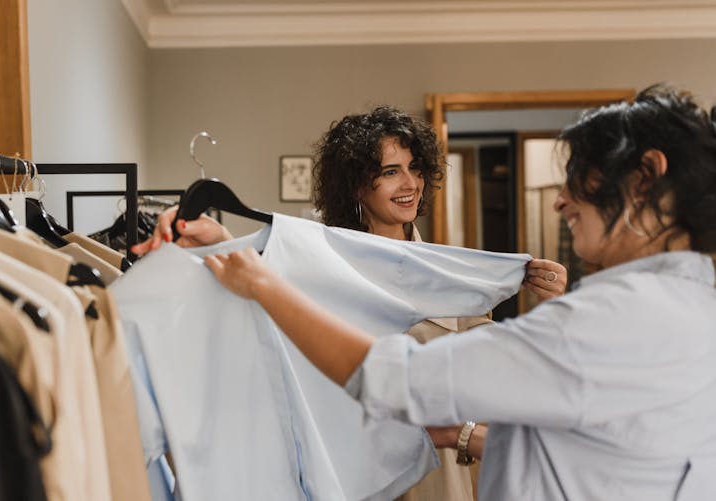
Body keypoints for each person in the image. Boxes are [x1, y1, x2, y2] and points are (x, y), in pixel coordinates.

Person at [203, 85, 716, 500]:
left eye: (579, 179)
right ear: (359, 186)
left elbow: (398, 380)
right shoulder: (693, 306)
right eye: (388, 172)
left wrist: (264, 286)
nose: (560, 202)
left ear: (645, 178)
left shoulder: (598, 318)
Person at [133, 105, 567, 500]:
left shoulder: (446, 280)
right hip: (345, 469)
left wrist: (553, 309)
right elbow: (271, 324)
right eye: (391, 171)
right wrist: (223, 244)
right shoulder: (319, 264)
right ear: (359, 185)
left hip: (435, 474)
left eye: (415, 169)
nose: (410, 184)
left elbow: (504, 377)